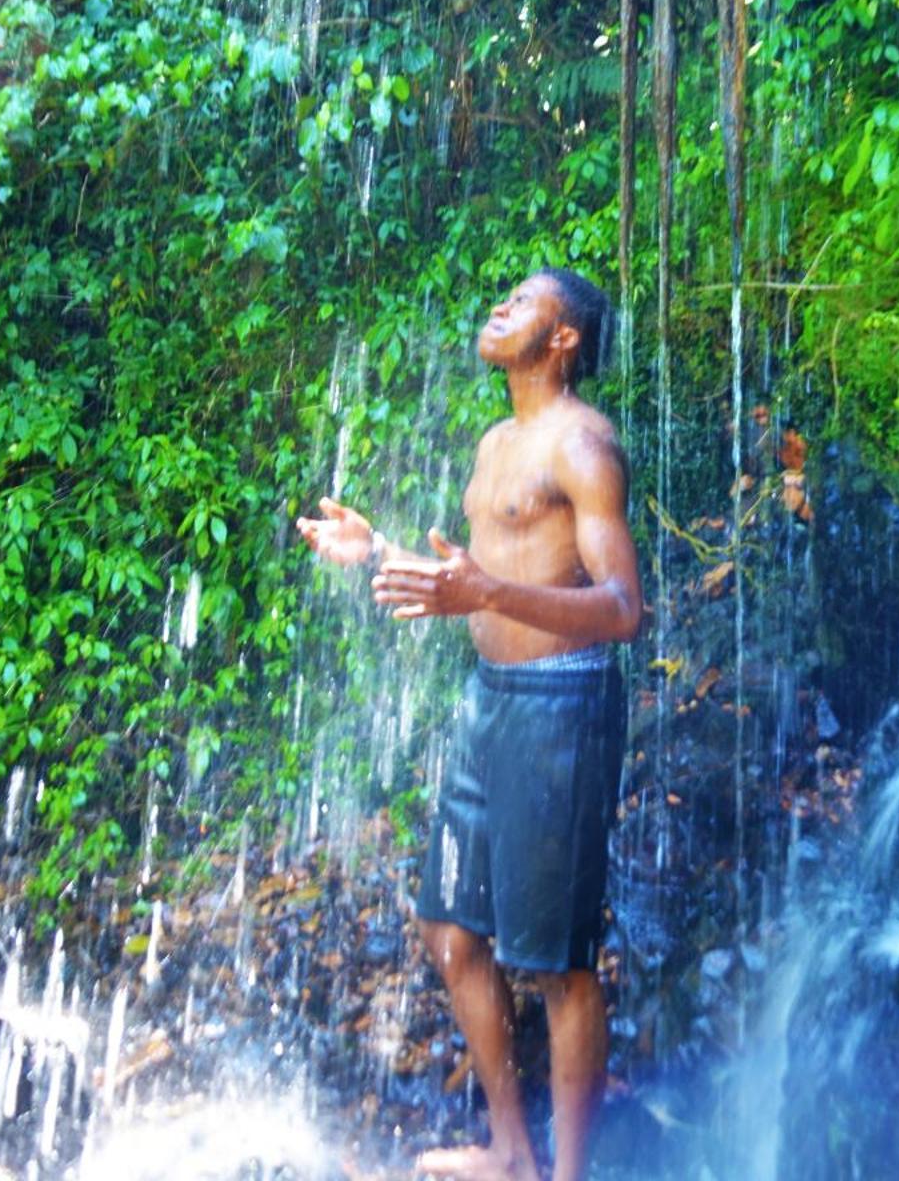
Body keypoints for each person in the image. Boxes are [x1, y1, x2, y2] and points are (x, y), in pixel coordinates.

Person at [296, 269, 641, 1181]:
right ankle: (510, 1154)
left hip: (563, 706)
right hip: (489, 702)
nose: (499, 308)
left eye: (523, 304)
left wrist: (485, 592)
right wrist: (376, 551)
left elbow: (620, 609)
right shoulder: (498, 443)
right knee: (452, 934)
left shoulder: (582, 446)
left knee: (559, 965)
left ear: (562, 339)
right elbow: (478, 580)